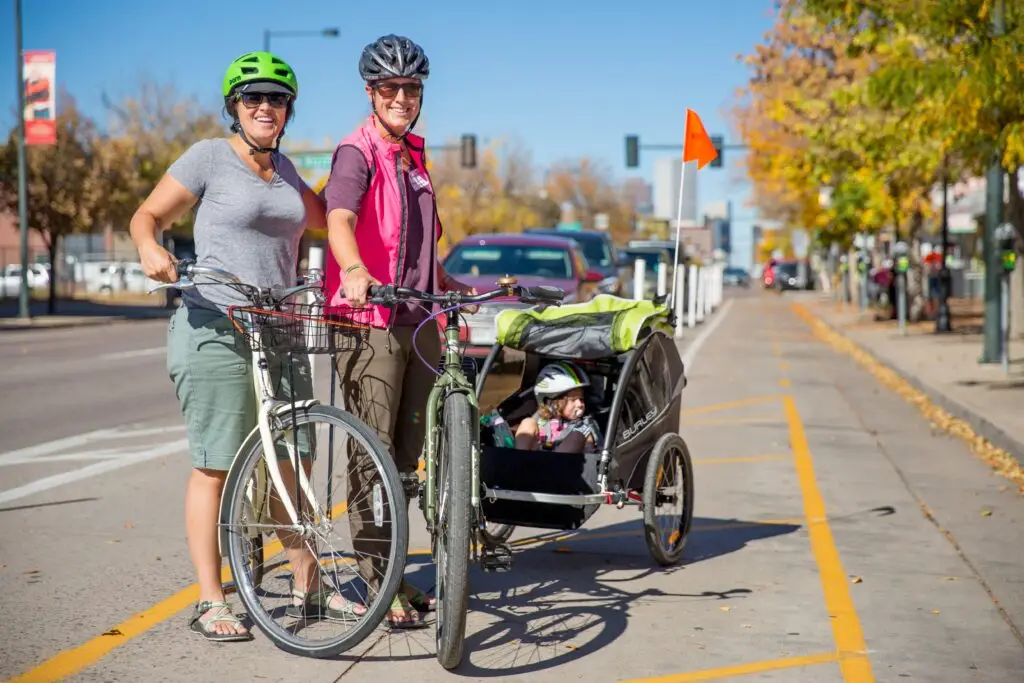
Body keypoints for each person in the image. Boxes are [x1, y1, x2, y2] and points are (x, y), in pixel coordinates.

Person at [130, 51, 367, 642]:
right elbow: (146, 215)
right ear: (234, 107)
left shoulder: (285, 170)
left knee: (296, 461)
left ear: (289, 110)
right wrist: (150, 249)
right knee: (216, 465)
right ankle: (212, 599)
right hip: (215, 325)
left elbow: (332, 217)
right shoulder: (209, 157)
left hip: (280, 328)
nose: (266, 107)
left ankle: (309, 589)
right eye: (254, 98)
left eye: (277, 99)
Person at [322, 34, 477, 629]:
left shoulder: (414, 155)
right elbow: (340, 219)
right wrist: (355, 269)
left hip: (420, 317)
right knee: (373, 454)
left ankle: (394, 573)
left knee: (410, 455)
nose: (402, 97)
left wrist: (449, 284)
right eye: (391, 88)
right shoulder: (355, 151)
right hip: (371, 321)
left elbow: (420, 247)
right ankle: (370, 580)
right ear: (371, 92)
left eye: (412, 88)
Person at [514, 362, 602, 453]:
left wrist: (588, 446)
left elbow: (591, 450)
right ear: (552, 402)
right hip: (534, 461)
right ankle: (519, 458)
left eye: (581, 399)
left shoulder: (584, 426)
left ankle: (550, 465)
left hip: (564, 464)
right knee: (527, 422)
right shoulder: (539, 421)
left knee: (579, 435)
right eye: (573, 400)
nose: (580, 404)